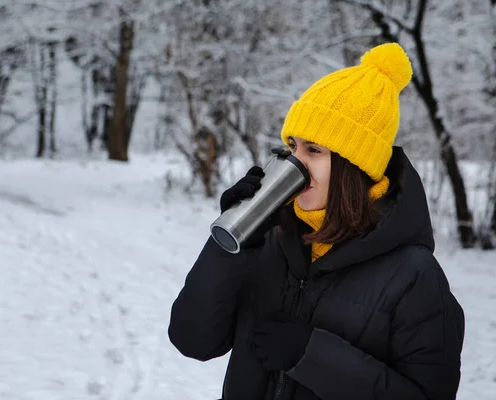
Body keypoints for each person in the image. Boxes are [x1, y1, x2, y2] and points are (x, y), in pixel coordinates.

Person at [168, 42, 465, 400]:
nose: (295, 163)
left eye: (314, 151)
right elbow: (193, 340)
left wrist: (313, 357)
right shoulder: (272, 241)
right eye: (292, 146)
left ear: (354, 165)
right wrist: (230, 247)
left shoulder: (414, 276)